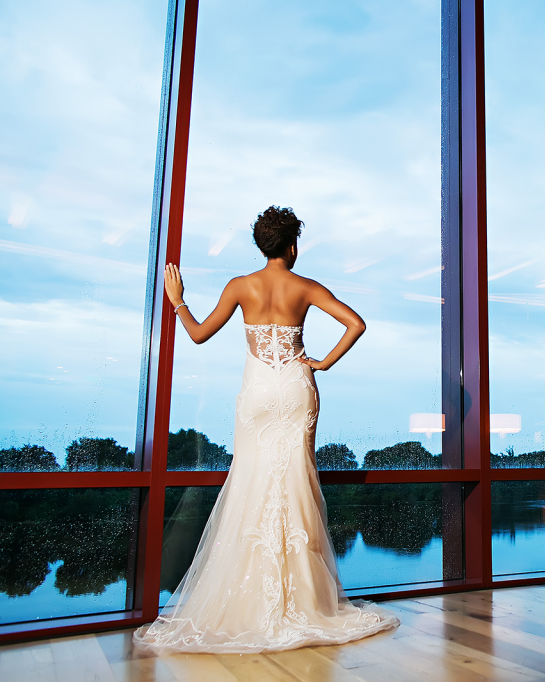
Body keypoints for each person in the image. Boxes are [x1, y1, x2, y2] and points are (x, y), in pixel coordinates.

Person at [133, 206, 398, 654]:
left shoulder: (240, 287)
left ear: (262, 245)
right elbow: (356, 324)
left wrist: (177, 300)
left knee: (251, 481)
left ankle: (252, 601)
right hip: (296, 386)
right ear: (293, 246)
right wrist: (324, 362)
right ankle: (304, 601)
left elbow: (197, 335)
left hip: (257, 390)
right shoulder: (306, 287)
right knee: (297, 483)